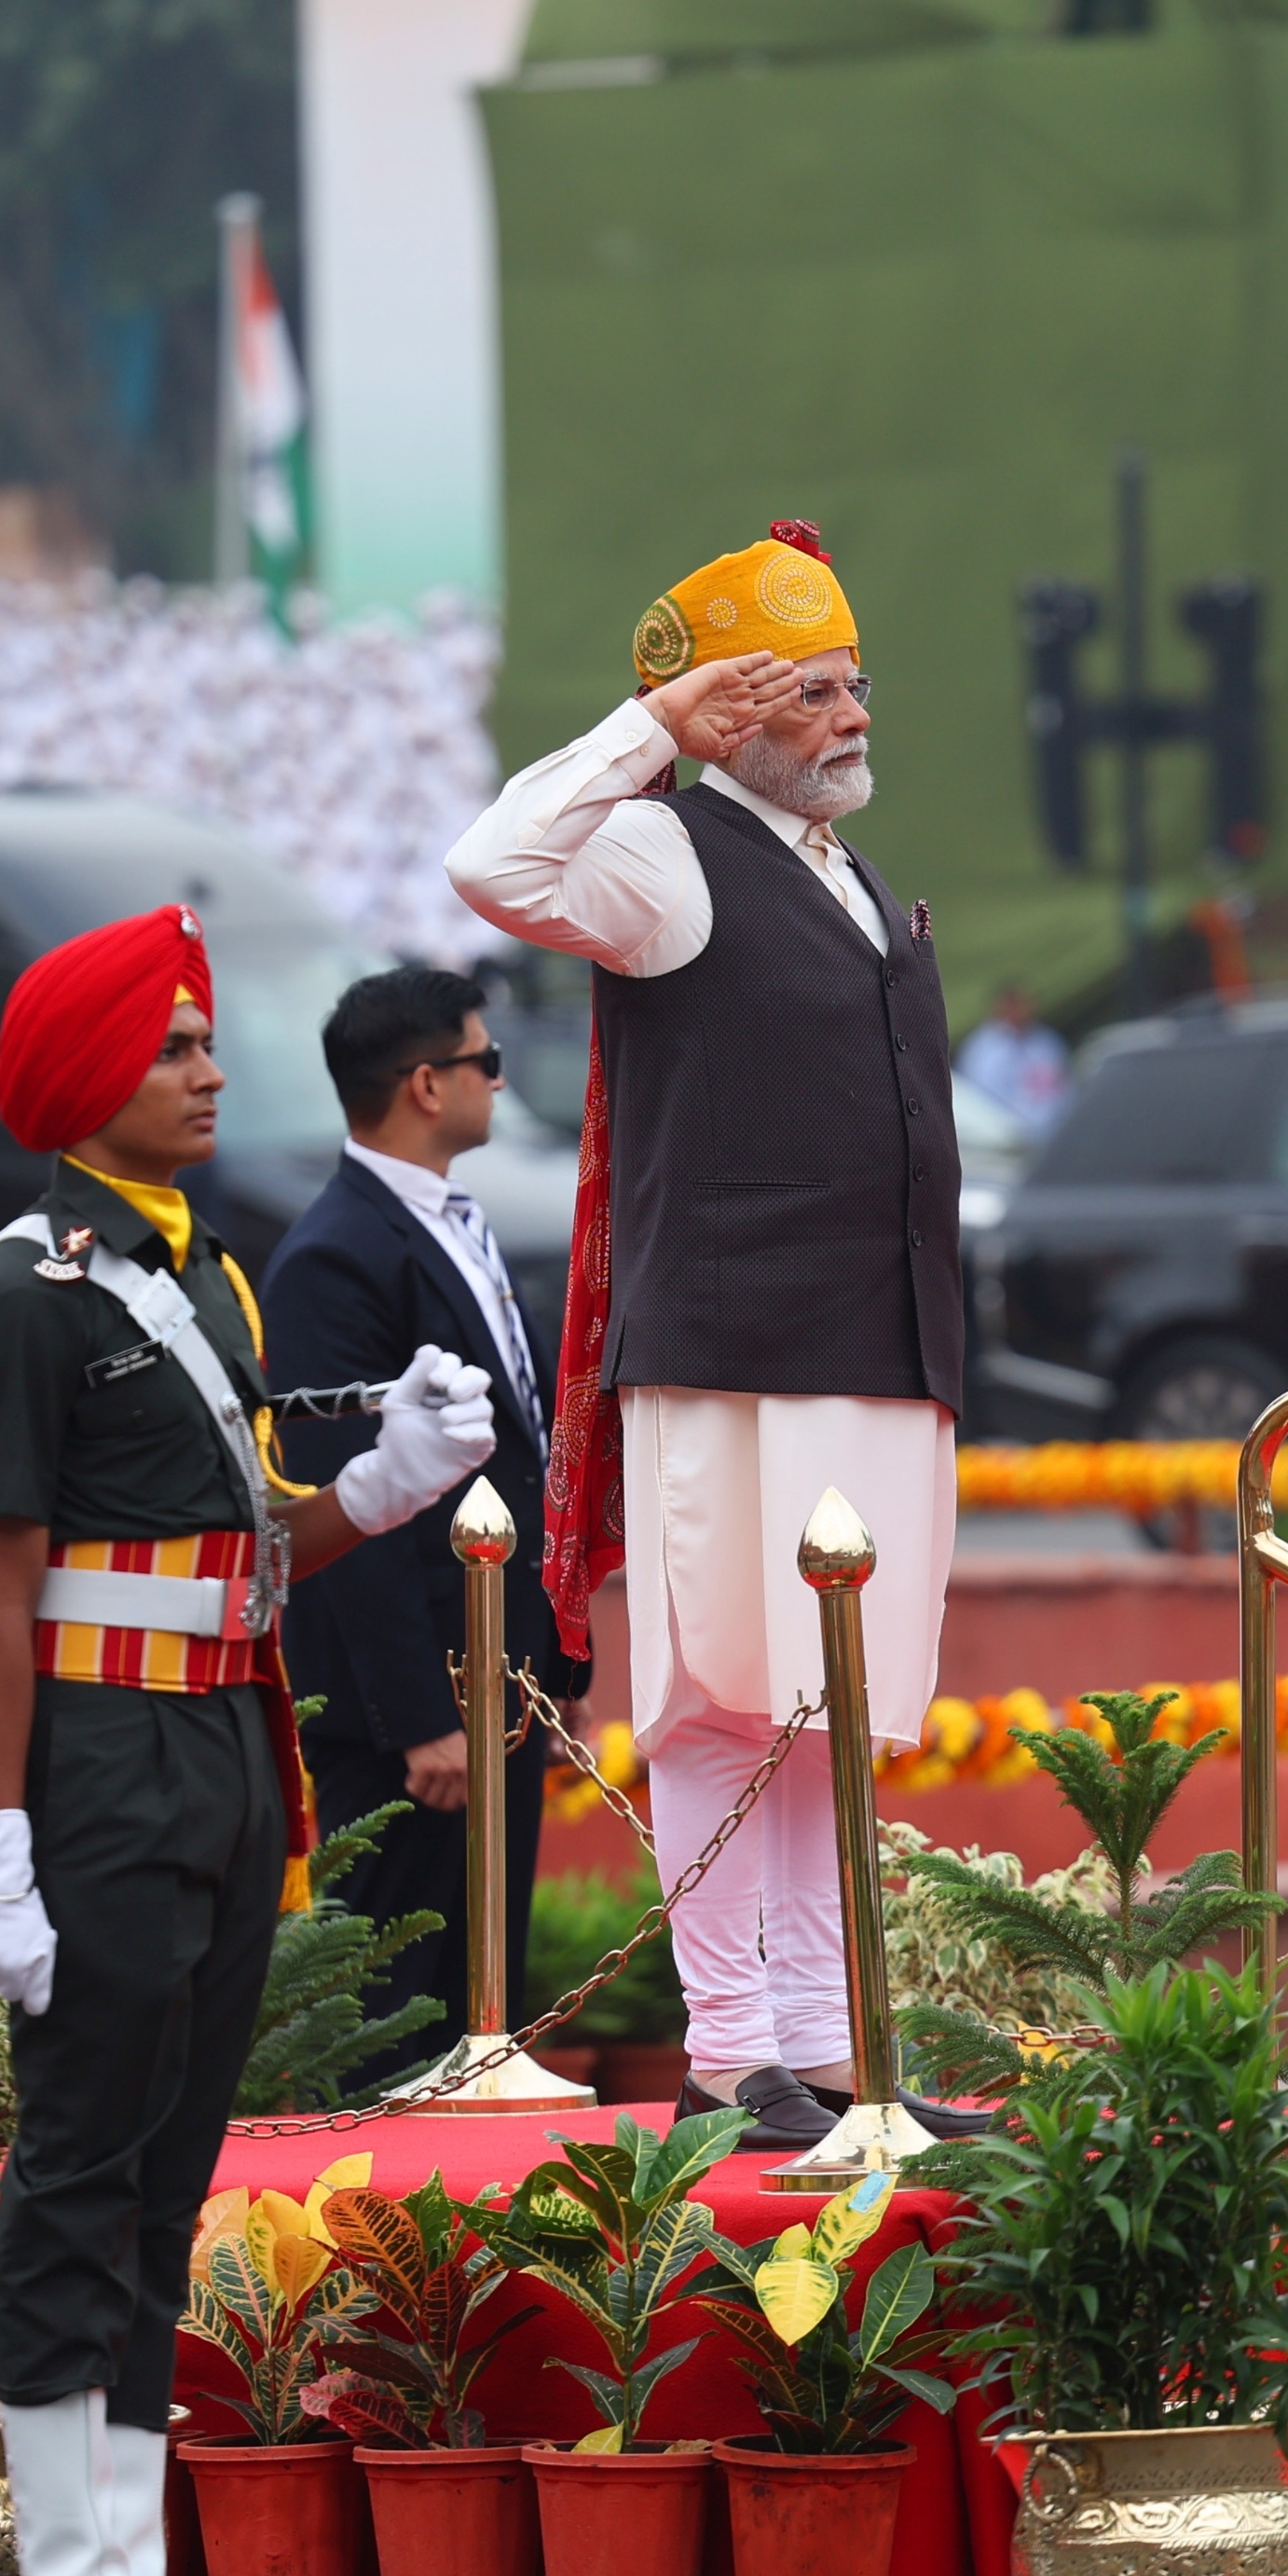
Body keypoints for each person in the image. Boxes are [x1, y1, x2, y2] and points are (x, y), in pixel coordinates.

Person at [0, 903, 498, 2576]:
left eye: (199, 1039)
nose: (207, 1069)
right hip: (94, 1763)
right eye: (171, 1046)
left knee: (165, 2183)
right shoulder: (24, 1291)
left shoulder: (205, 1284)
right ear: (88, 1080)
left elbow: (252, 1546)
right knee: (75, 2172)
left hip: (222, 1749)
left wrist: (392, 1478)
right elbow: (2, 1597)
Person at [446, 519, 988, 2151]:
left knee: (841, 1699)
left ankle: (829, 2048)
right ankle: (728, 2042)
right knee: (722, 1701)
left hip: (885, 1350)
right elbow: (494, 864)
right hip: (735, 1353)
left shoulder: (852, 874)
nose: (849, 716)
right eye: (808, 692)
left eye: (853, 684)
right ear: (727, 721)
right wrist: (643, 738)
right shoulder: (667, 851)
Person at [261, 966, 588, 2076]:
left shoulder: (453, 1218)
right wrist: (415, 1718)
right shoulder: (332, 1258)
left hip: (497, 1675)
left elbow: (526, 1448)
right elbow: (343, 1505)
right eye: (484, 1062)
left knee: (482, 2016)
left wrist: (557, 1665)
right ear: (425, 1085)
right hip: (413, 1715)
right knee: (397, 2027)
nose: (499, 1081)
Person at [956, 983, 1068, 1136]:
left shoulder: (1047, 1042)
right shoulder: (982, 1050)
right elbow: (978, 1100)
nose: (1023, 1011)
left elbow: (1065, 1088)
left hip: (1052, 1135)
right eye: (1015, 1006)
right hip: (1002, 1141)